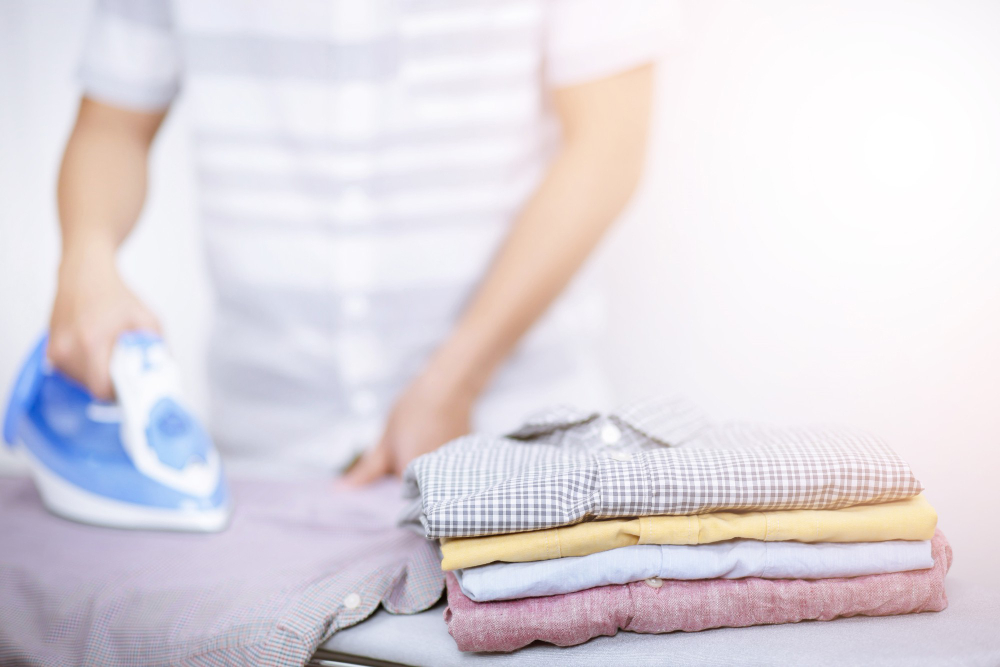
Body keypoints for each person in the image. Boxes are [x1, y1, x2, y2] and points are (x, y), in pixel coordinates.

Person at [48, 0, 661, 483]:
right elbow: (111, 126)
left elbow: (610, 143)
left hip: (518, 441)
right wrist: (86, 258)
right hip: (266, 456)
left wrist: (456, 381)